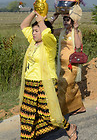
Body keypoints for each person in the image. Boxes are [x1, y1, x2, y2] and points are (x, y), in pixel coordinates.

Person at [19, 11, 77, 140]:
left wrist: (41, 21)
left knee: (48, 114)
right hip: (30, 82)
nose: (33, 33)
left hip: (45, 83)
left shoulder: (49, 44)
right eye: (33, 31)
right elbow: (23, 25)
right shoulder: (33, 42)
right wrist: (35, 12)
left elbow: (46, 33)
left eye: (36, 31)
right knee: (26, 114)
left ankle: (69, 127)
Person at [50, 13, 86, 116]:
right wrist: (54, 18)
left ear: (73, 21)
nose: (65, 22)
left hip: (71, 65)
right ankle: (79, 106)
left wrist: (75, 30)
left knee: (68, 85)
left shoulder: (77, 32)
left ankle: (65, 109)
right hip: (61, 65)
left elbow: (78, 45)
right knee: (66, 85)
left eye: (68, 20)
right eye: (64, 19)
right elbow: (48, 31)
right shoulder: (62, 31)